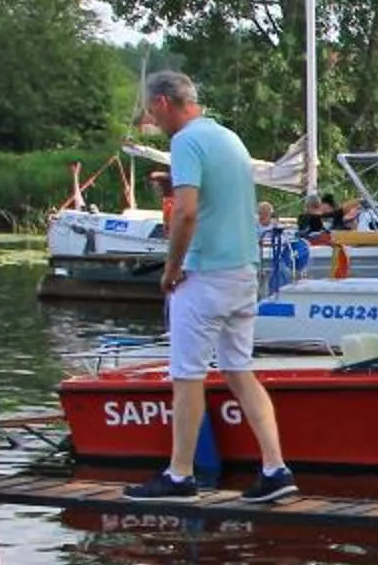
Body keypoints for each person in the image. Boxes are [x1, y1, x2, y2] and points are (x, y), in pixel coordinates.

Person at [124, 71, 297, 505]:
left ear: (164, 102)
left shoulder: (184, 142)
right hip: (243, 272)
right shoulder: (228, 138)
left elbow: (185, 214)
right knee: (240, 371)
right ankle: (275, 468)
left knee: (187, 376)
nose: (152, 118)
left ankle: (179, 474)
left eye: (151, 109)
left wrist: (171, 270)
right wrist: (173, 185)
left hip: (206, 276)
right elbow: (217, 197)